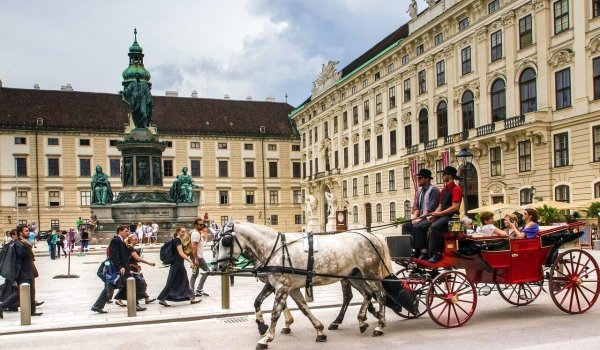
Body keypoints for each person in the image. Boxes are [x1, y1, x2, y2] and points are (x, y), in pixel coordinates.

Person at [0, 225, 42, 317]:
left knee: (32, 292)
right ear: (20, 233)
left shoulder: (24, 243)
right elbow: (19, 258)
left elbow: (31, 257)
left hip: (30, 271)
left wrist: (28, 245)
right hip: (23, 273)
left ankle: (32, 311)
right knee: (20, 293)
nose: (28, 232)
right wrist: (27, 245)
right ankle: (2, 305)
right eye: (26, 231)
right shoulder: (18, 244)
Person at [157, 226, 202, 307]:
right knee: (174, 282)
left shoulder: (177, 240)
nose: (183, 233)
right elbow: (181, 253)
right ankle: (163, 298)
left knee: (181, 281)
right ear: (178, 232)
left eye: (184, 232)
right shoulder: (177, 240)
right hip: (178, 264)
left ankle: (192, 298)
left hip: (177, 264)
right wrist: (190, 261)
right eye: (182, 232)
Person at [91, 225, 131, 314]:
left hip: (118, 268)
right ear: (120, 231)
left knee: (110, 286)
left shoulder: (120, 241)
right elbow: (114, 255)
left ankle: (97, 306)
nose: (128, 233)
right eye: (126, 231)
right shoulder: (116, 240)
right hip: (116, 269)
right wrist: (120, 266)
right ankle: (133, 304)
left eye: (128, 231)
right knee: (112, 285)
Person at [427, 166, 463, 263]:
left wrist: (440, 213)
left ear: (450, 175)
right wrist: (433, 214)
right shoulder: (443, 190)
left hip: (453, 218)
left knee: (434, 227)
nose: (442, 175)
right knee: (427, 226)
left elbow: (455, 207)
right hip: (443, 216)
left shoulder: (456, 189)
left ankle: (437, 253)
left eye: (444, 174)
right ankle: (426, 252)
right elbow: (440, 205)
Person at [402, 168, 440, 259]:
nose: (418, 180)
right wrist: (415, 217)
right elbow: (417, 207)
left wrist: (419, 218)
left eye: (420, 178)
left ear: (427, 179)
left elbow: (431, 208)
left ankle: (423, 251)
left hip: (431, 217)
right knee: (406, 226)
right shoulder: (421, 191)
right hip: (421, 217)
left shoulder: (433, 190)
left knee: (418, 226)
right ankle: (411, 248)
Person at [114, 234, 156, 309]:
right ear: (131, 240)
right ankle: (137, 301)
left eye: (137, 238)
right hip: (132, 269)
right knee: (139, 284)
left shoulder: (130, 247)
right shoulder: (130, 248)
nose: (137, 239)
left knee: (138, 283)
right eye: (135, 238)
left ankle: (145, 298)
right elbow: (138, 259)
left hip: (133, 268)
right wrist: (150, 263)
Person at [190, 218, 210, 297]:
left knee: (195, 274)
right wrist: (196, 259)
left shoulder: (196, 233)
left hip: (196, 257)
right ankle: (198, 290)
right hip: (198, 257)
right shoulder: (196, 234)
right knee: (207, 271)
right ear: (196, 225)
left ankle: (191, 291)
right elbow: (194, 247)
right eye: (200, 224)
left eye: (203, 224)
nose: (202, 225)